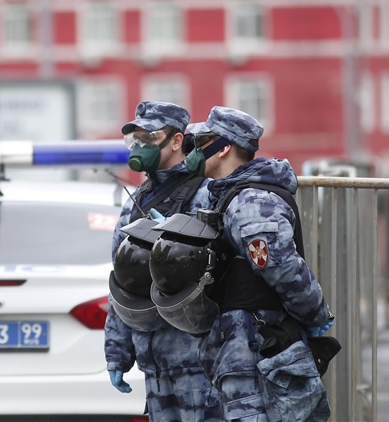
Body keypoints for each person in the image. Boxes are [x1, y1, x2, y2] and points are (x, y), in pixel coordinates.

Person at [188, 107, 334, 421]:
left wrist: (316, 316)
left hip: (258, 348)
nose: (195, 150)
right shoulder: (227, 196)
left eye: (202, 142)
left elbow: (282, 268)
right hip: (239, 346)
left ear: (224, 147)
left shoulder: (251, 202)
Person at [104, 101, 221, 421]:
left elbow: (222, 268)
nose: (141, 146)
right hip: (154, 361)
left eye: (149, 138)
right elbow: (123, 279)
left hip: (198, 358)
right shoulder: (138, 199)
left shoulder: (206, 190)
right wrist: (118, 352)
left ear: (176, 141)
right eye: (136, 139)